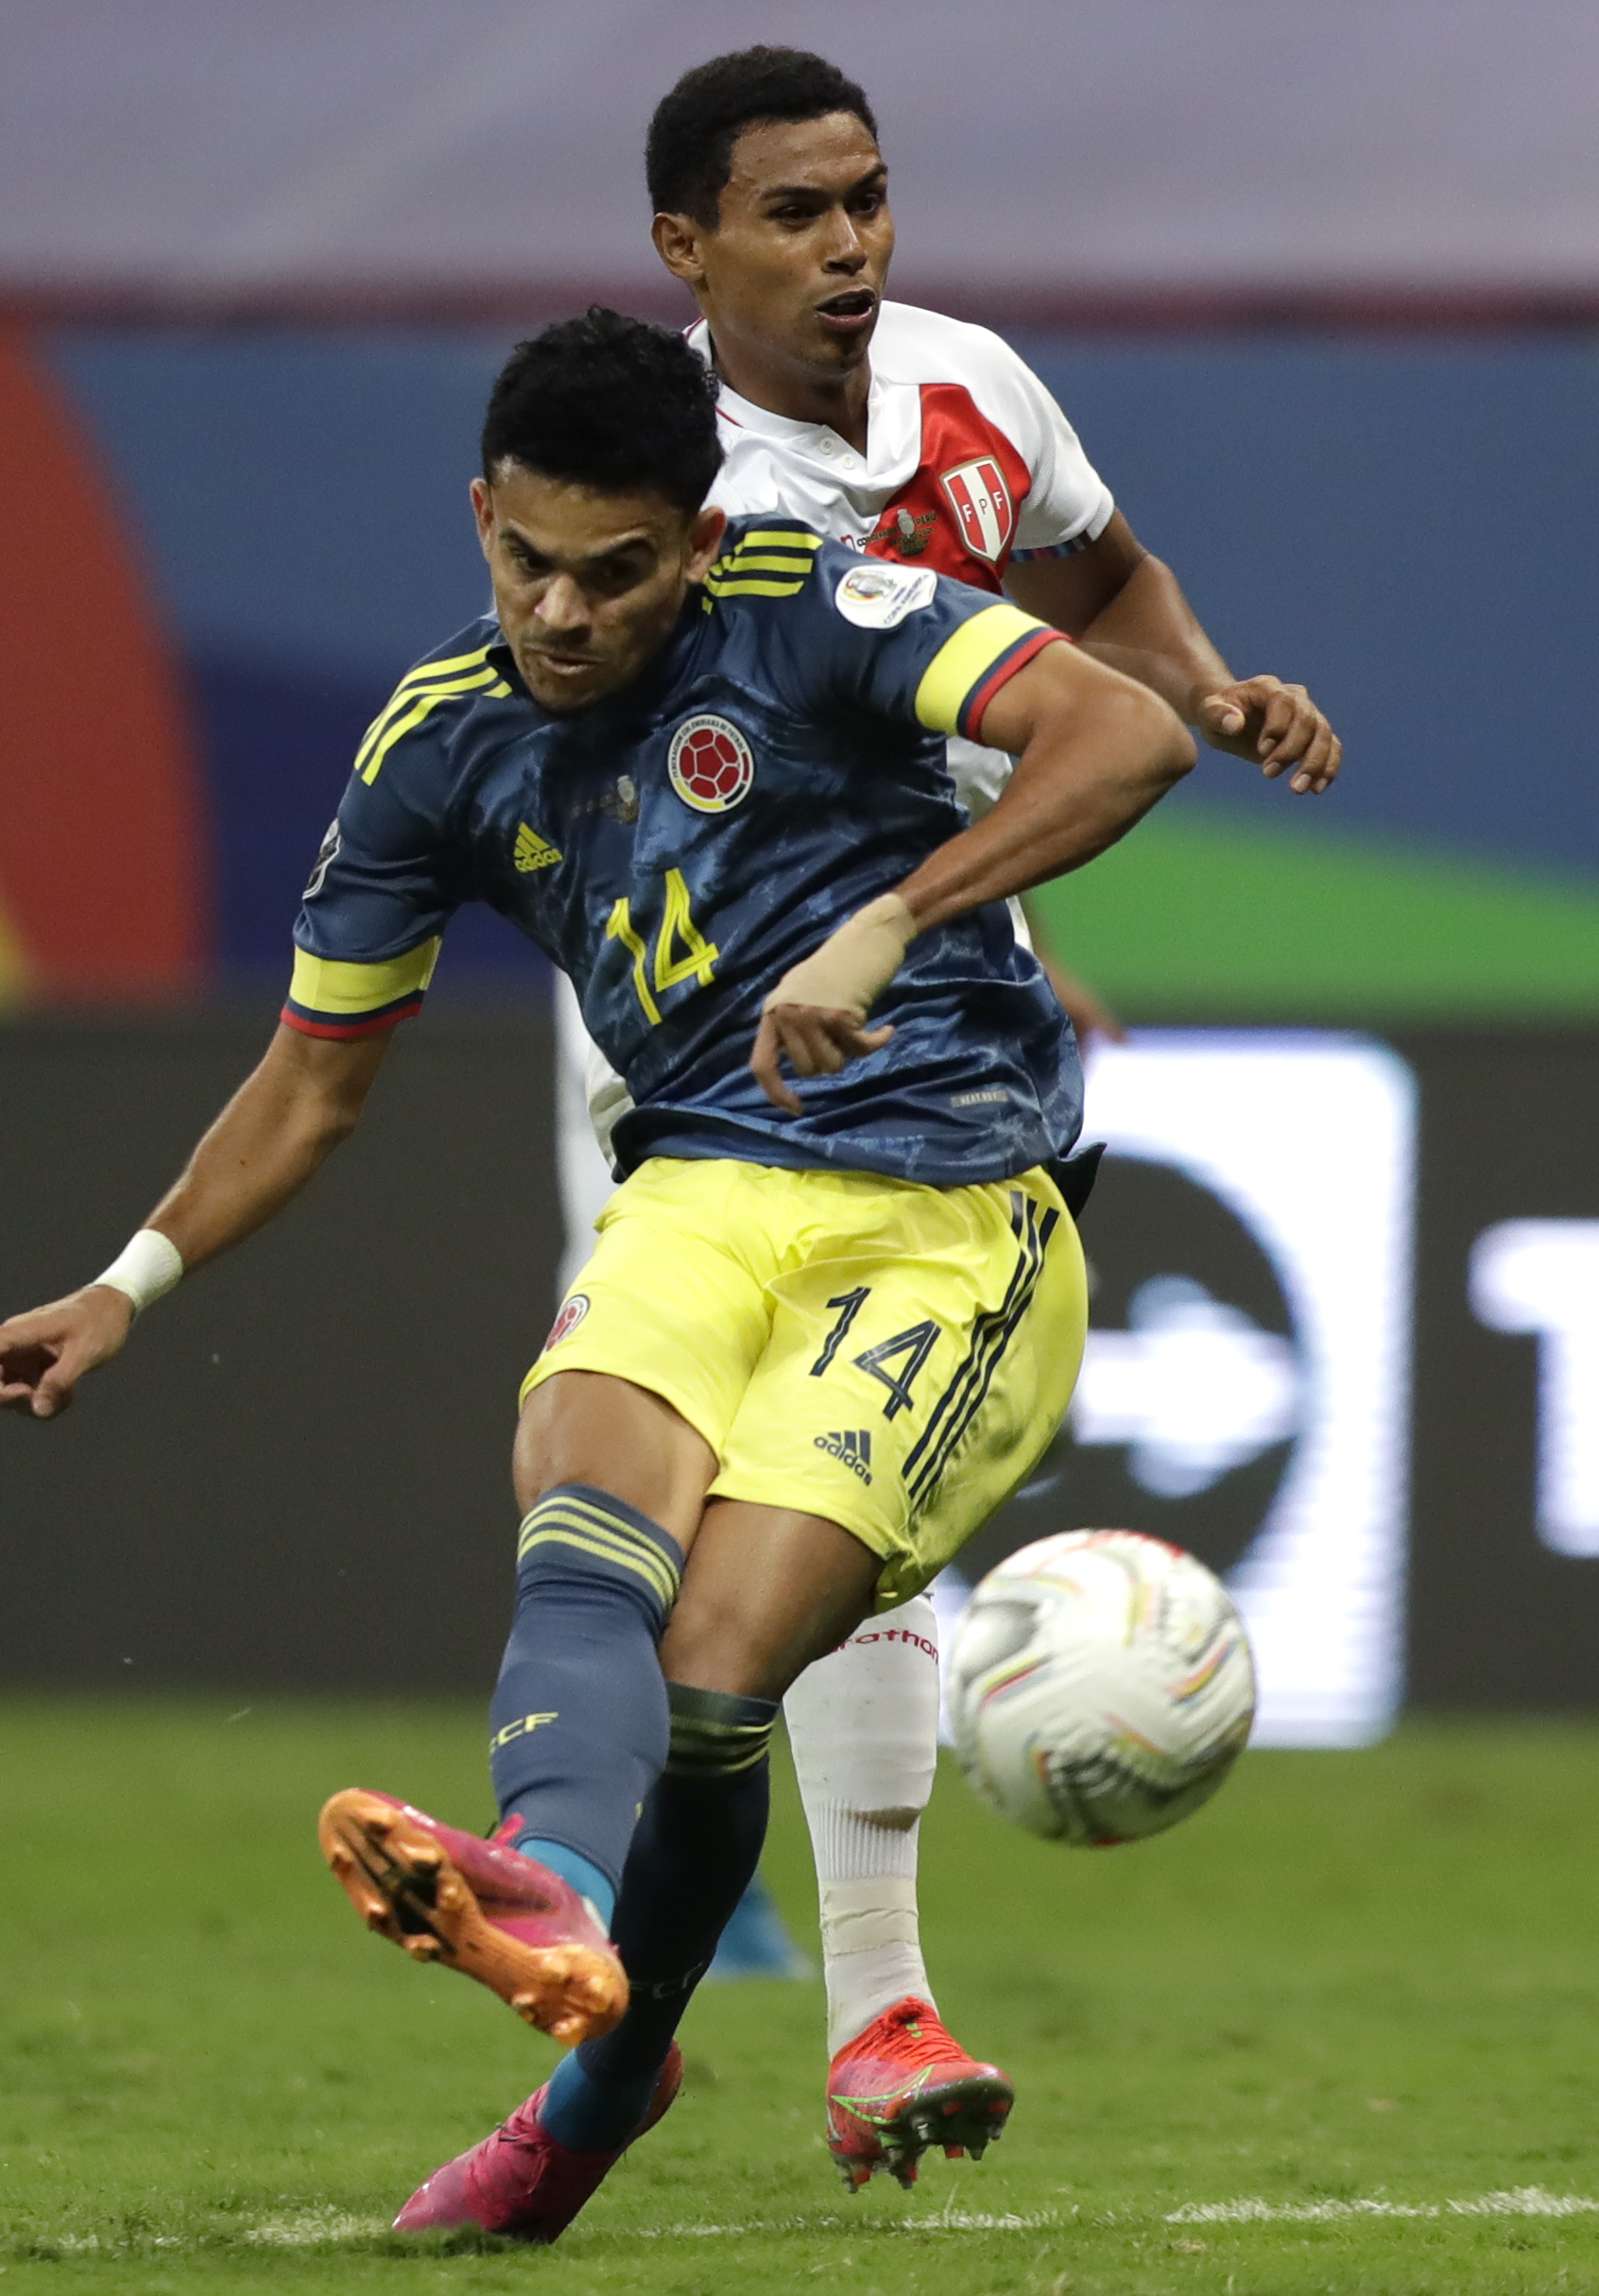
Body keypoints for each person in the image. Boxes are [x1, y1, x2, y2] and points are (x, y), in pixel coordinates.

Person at [0, 309, 1195, 2241]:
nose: (561, 610)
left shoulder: (817, 610)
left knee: (713, 1690)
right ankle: (544, 1891)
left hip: (953, 1216)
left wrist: (889, 919)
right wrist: (128, 1282)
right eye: (522, 559)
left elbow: (1128, 725)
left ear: (698, 543)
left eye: (615, 574)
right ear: (478, 518)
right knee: (578, 1495)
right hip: (700, 1185)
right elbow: (312, 1079)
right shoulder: (438, 745)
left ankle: (601, 2087)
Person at [544, 45, 1341, 2193]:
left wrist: (1204, 686)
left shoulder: (973, 388)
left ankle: (854, 1997)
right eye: (797, 215)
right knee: (713, 1505)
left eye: (869, 201)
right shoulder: (666, 484)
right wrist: (919, 925)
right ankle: (599, 1903)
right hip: (704, 1025)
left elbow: (1102, 584)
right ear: (681, 250)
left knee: (848, 1487)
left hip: (919, 990)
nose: (849, 248)